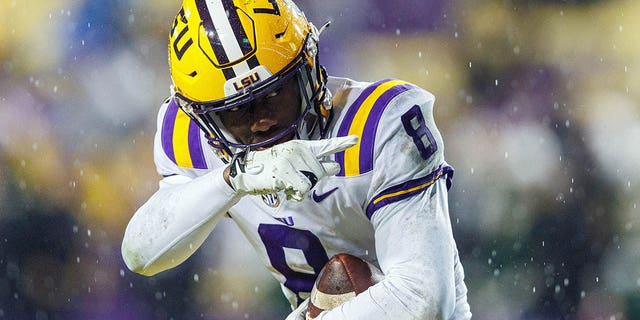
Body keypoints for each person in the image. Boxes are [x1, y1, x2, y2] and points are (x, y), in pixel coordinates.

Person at [121, 0, 472, 319]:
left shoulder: (378, 123)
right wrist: (234, 179)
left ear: (310, 68)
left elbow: (422, 297)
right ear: (201, 117)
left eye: (275, 93)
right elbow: (141, 253)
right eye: (237, 112)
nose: (262, 122)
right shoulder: (191, 138)